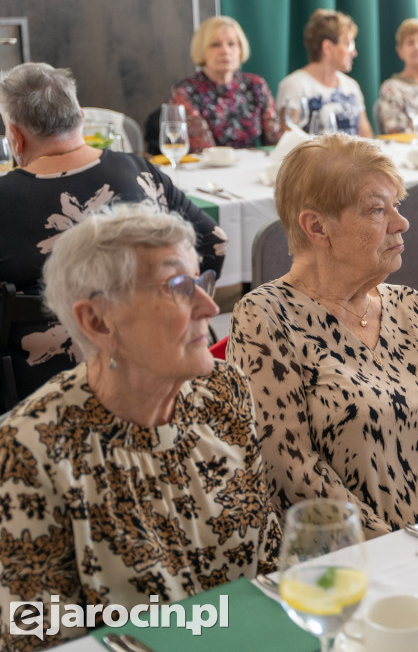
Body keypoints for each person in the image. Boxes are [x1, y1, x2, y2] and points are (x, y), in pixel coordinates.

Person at [0, 204, 279, 650]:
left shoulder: (223, 390)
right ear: (97, 321)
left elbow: (269, 565)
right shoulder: (30, 449)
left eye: (201, 281)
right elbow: (38, 639)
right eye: (177, 287)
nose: (210, 306)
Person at [227, 134, 418, 536]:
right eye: (377, 210)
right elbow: (293, 472)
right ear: (317, 227)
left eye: (397, 206)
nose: (401, 223)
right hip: (364, 560)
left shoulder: (411, 306)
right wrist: (397, 548)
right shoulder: (265, 318)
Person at [0, 62, 227, 401]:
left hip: (39, 388)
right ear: (79, 114)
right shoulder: (139, 169)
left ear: (15, 137)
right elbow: (216, 245)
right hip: (155, 360)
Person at [171, 15, 281, 150]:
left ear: (241, 49)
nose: (225, 51)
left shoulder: (256, 85)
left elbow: (276, 142)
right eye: (215, 45)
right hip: (207, 169)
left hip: (254, 167)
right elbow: (204, 149)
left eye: (231, 44)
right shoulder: (185, 91)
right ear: (201, 49)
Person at [276, 9, 373, 137]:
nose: (354, 52)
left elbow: (366, 134)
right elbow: (287, 138)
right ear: (327, 47)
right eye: (348, 44)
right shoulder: (294, 85)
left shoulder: (351, 86)